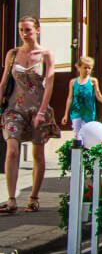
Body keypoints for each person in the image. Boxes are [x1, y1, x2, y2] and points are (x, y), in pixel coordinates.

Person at [0, 17, 58, 213]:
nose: (24, 34)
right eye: (21, 30)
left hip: (37, 109)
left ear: (37, 30)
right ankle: (11, 199)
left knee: (37, 153)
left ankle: (33, 197)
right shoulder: (13, 54)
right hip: (15, 108)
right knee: (12, 149)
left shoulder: (46, 55)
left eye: (28, 30)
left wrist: (42, 111)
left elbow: (49, 84)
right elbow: (3, 82)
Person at [63, 56, 102, 140]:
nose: (87, 70)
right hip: (76, 112)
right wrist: (65, 114)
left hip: (89, 112)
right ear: (79, 67)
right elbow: (70, 98)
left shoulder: (93, 81)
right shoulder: (73, 82)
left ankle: (85, 151)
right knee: (77, 134)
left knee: (87, 134)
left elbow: (99, 96)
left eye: (89, 68)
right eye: (85, 67)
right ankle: (77, 151)